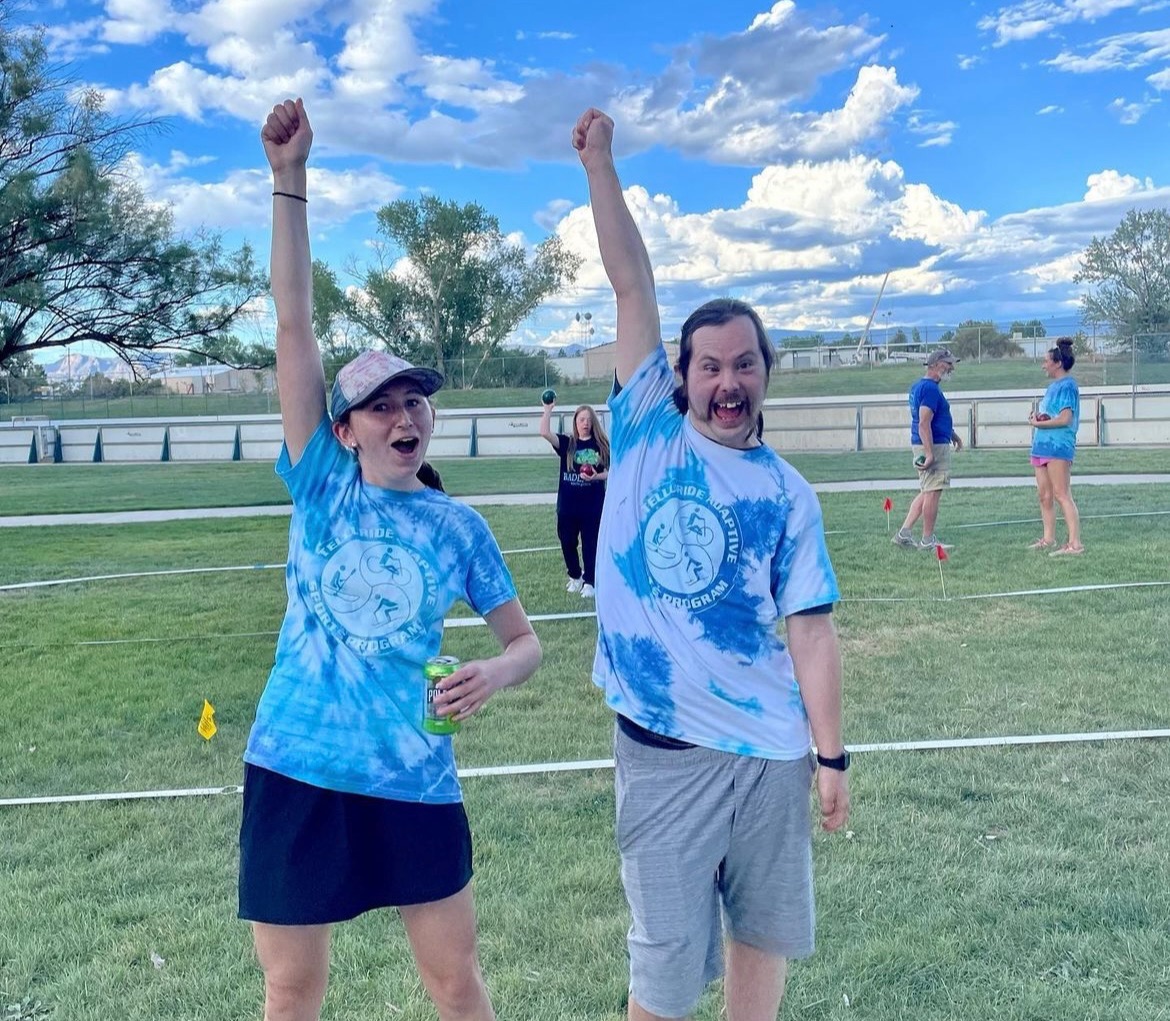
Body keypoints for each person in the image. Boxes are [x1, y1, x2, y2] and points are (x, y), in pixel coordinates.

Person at [241, 98, 541, 1021]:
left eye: (415, 400)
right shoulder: (323, 486)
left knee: (454, 981)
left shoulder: (458, 528)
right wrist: (290, 180)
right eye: (381, 405)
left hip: (413, 773)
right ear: (344, 429)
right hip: (297, 763)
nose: (403, 416)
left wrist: (494, 670)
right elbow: (296, 327)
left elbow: (526, 642)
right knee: (292, 986)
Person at [573, 107, 850, 1021]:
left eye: (745, 365)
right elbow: (630, 286)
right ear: (679, 376)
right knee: (659, 977)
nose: (727, 383)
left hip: (771, 756)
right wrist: (601, 164)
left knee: (761, 950)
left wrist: (831, 755)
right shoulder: (647, 424)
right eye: (709, 366)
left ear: (766, 373)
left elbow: (809, 632)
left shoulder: (789, 493)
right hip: (663, 752)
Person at [892, 348, 963, 551]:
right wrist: (930, 453)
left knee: (926, 490)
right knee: (932, 492)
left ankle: (904, 534)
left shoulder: (920, 387)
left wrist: (953, 435)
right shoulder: (930, 389)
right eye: (948, 363)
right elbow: (924, 423)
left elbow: (934, 420)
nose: (951, 367)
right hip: (932, 446)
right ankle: (927, 540)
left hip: (931, 442)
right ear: (936, 364)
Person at [539, 399, 610, 598]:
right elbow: (544, 432)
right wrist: (547, 410)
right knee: (567, 541)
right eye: (581, 419)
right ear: (576, 423)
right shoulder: (567, 444)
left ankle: (590, 582)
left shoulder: (601, 445)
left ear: (593, 422)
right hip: (568, 507)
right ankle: (575, 577)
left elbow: (614, 472)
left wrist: (597, 476)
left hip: (592, 506)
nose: (585, 423)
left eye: (588, 419)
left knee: (591, 544)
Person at [1028, 337, 1083, 555]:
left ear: (1057, 363)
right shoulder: (1052, 387)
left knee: (1062, 494)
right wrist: (1038, 418)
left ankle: (1074, 543)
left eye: (1046, 361)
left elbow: (1065, 419)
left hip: (1058, 447)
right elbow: (1051, 415)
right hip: (1041, 446)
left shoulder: (1068, 386)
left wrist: (1040, 423)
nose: (1044, 365)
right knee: (1044, 495)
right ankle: (1048, 538)